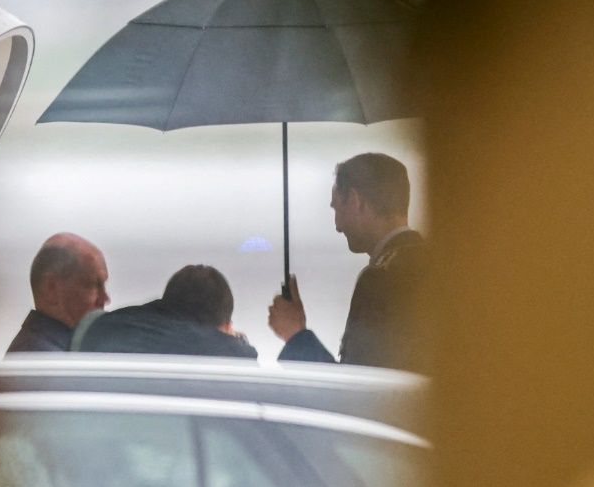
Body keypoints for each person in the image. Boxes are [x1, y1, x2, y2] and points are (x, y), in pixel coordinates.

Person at [269, 152, 427, 370]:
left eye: (336, 208)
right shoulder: (439, 263)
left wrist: (296, 334)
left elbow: (359, 387)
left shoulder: (380, 279)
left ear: (354, 200)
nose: (337, 226)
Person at [76, 264, 257, 359]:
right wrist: (236, 341)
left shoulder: (101, 326)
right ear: (224, 327)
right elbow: (246, 362)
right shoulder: (225, 353)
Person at [6, 232, 110, 353]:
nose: (105, 299)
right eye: (91, 284)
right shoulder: (49, 359)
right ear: (50, 288)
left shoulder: (41, 349)